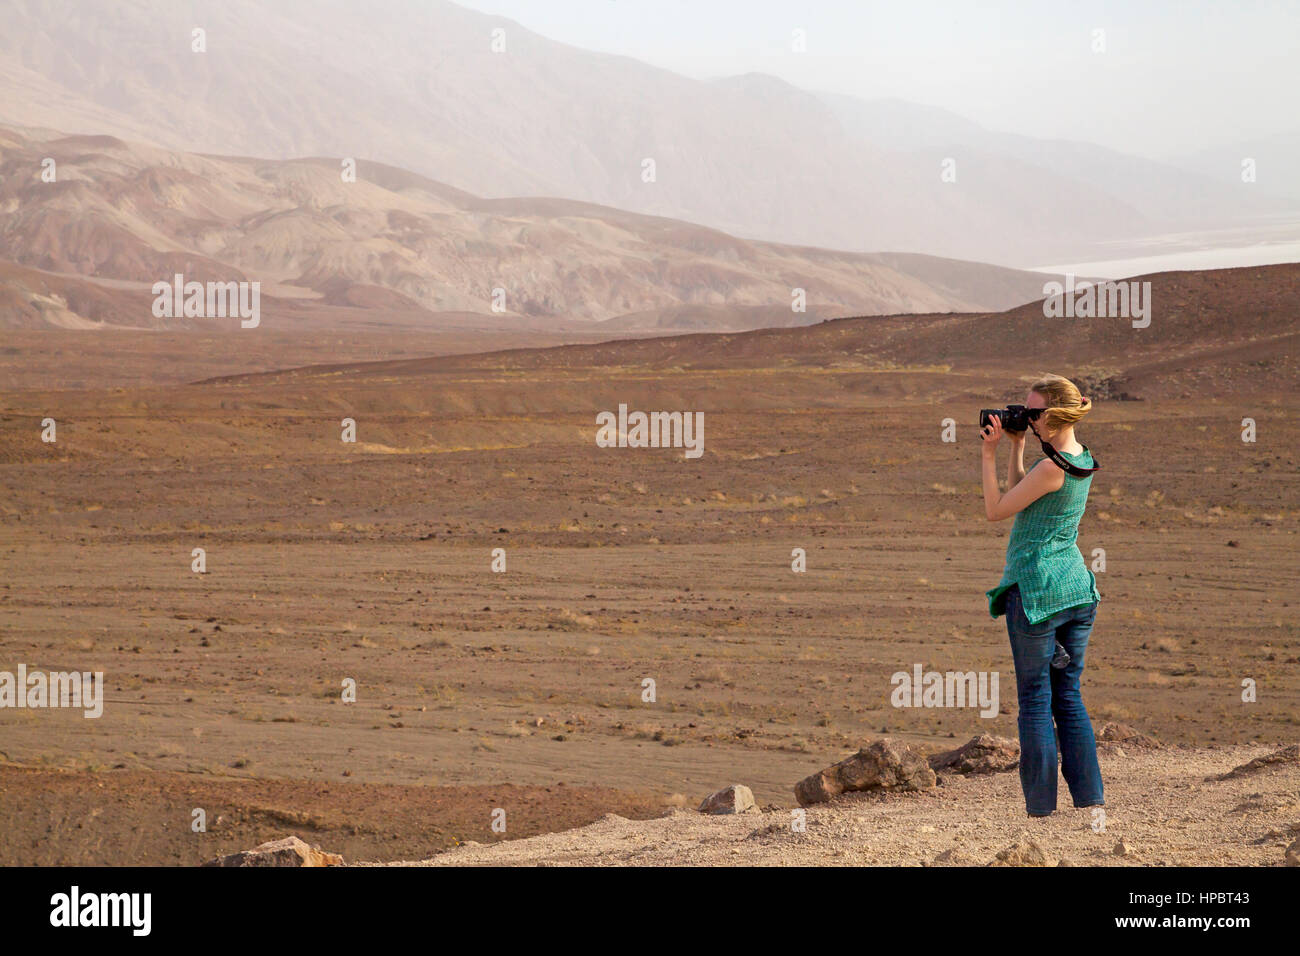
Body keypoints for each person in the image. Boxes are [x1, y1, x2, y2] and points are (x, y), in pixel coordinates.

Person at [980, 374, 1103, 817]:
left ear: (1051, 415)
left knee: (1035, 698)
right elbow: (1023, 495)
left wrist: (988, 451)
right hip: (1076, 590)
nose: (1027, 419)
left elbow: (997, 509)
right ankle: (1090, 800)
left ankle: (1040, 809)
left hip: (1037, 595)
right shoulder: (1078, 457)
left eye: (1032, 414)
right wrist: (1016, 446)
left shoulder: (1052, 468)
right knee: (1068, 694)